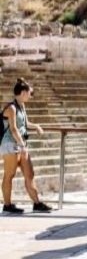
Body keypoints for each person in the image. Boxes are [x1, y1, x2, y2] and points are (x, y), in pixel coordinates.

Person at [1, 78, 51, 214]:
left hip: (21, 144)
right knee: (9, 175)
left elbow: (25, 123)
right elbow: (13, 129)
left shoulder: (22, 106)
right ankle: (7, 205)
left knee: (30, 173)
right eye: (30, 93)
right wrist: (22, 146)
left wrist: (37, 126)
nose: (31, 95)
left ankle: (37, 203)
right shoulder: (11, 108)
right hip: (10, 145)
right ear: (23, 92)